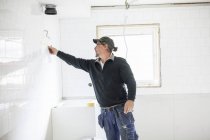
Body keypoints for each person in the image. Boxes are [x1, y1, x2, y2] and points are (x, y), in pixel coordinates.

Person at [48, 36, 138, 140]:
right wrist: (57, 52)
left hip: (121, 110)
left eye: (97, 45)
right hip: (105, 112)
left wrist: (131, 99)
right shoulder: (92, 65)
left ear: (105, 46)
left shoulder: (120, 62)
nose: (95, 48)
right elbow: (74, 61)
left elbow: (131, 81)